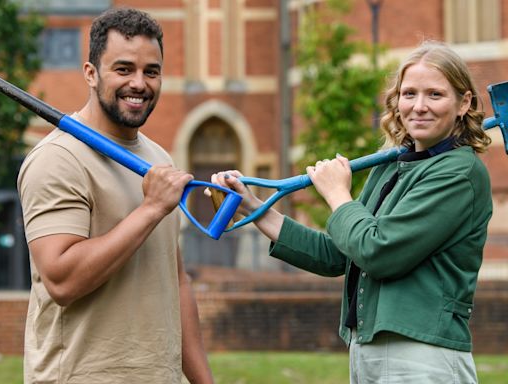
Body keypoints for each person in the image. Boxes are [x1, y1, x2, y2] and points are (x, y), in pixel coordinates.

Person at [211, 40, 492, 383]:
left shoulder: (458, 173)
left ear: (464, 103)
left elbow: (379, 251)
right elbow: (339, 254)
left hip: (421, 355)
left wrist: (338, 195)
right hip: (366, 351)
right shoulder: (391, 166)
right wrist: (256, 209)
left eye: (435, 95)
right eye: (409, 94)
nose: (419, 106)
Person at [17, 8, 213, 384]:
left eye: (150, 71)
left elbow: (175, 281)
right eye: (123, 69)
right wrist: (152, 208)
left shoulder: (158, 159)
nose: (139, 83)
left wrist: (204, 381)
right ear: (91, 73)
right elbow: (61, 281)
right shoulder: (58, 159)